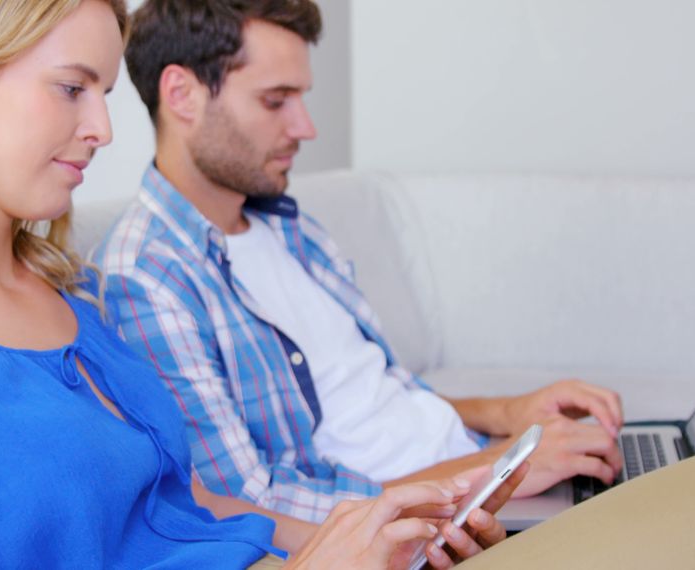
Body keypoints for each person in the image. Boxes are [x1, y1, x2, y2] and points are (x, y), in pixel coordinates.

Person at [0, 0, 520, 567]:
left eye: (102, 93)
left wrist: (376, 532)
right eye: (71, 89)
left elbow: (185, 501)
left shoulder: (65, 297)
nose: (103, 127)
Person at [94, 0, 625, 523]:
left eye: (300, 98)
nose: (306, 127)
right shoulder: (146, 278)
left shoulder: (288, 227)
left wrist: (509, 416)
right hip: (425, 515)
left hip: (472, 469)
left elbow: (378, 395)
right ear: (182, 95)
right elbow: (252, 504)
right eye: (276, 101)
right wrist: (499, 468)